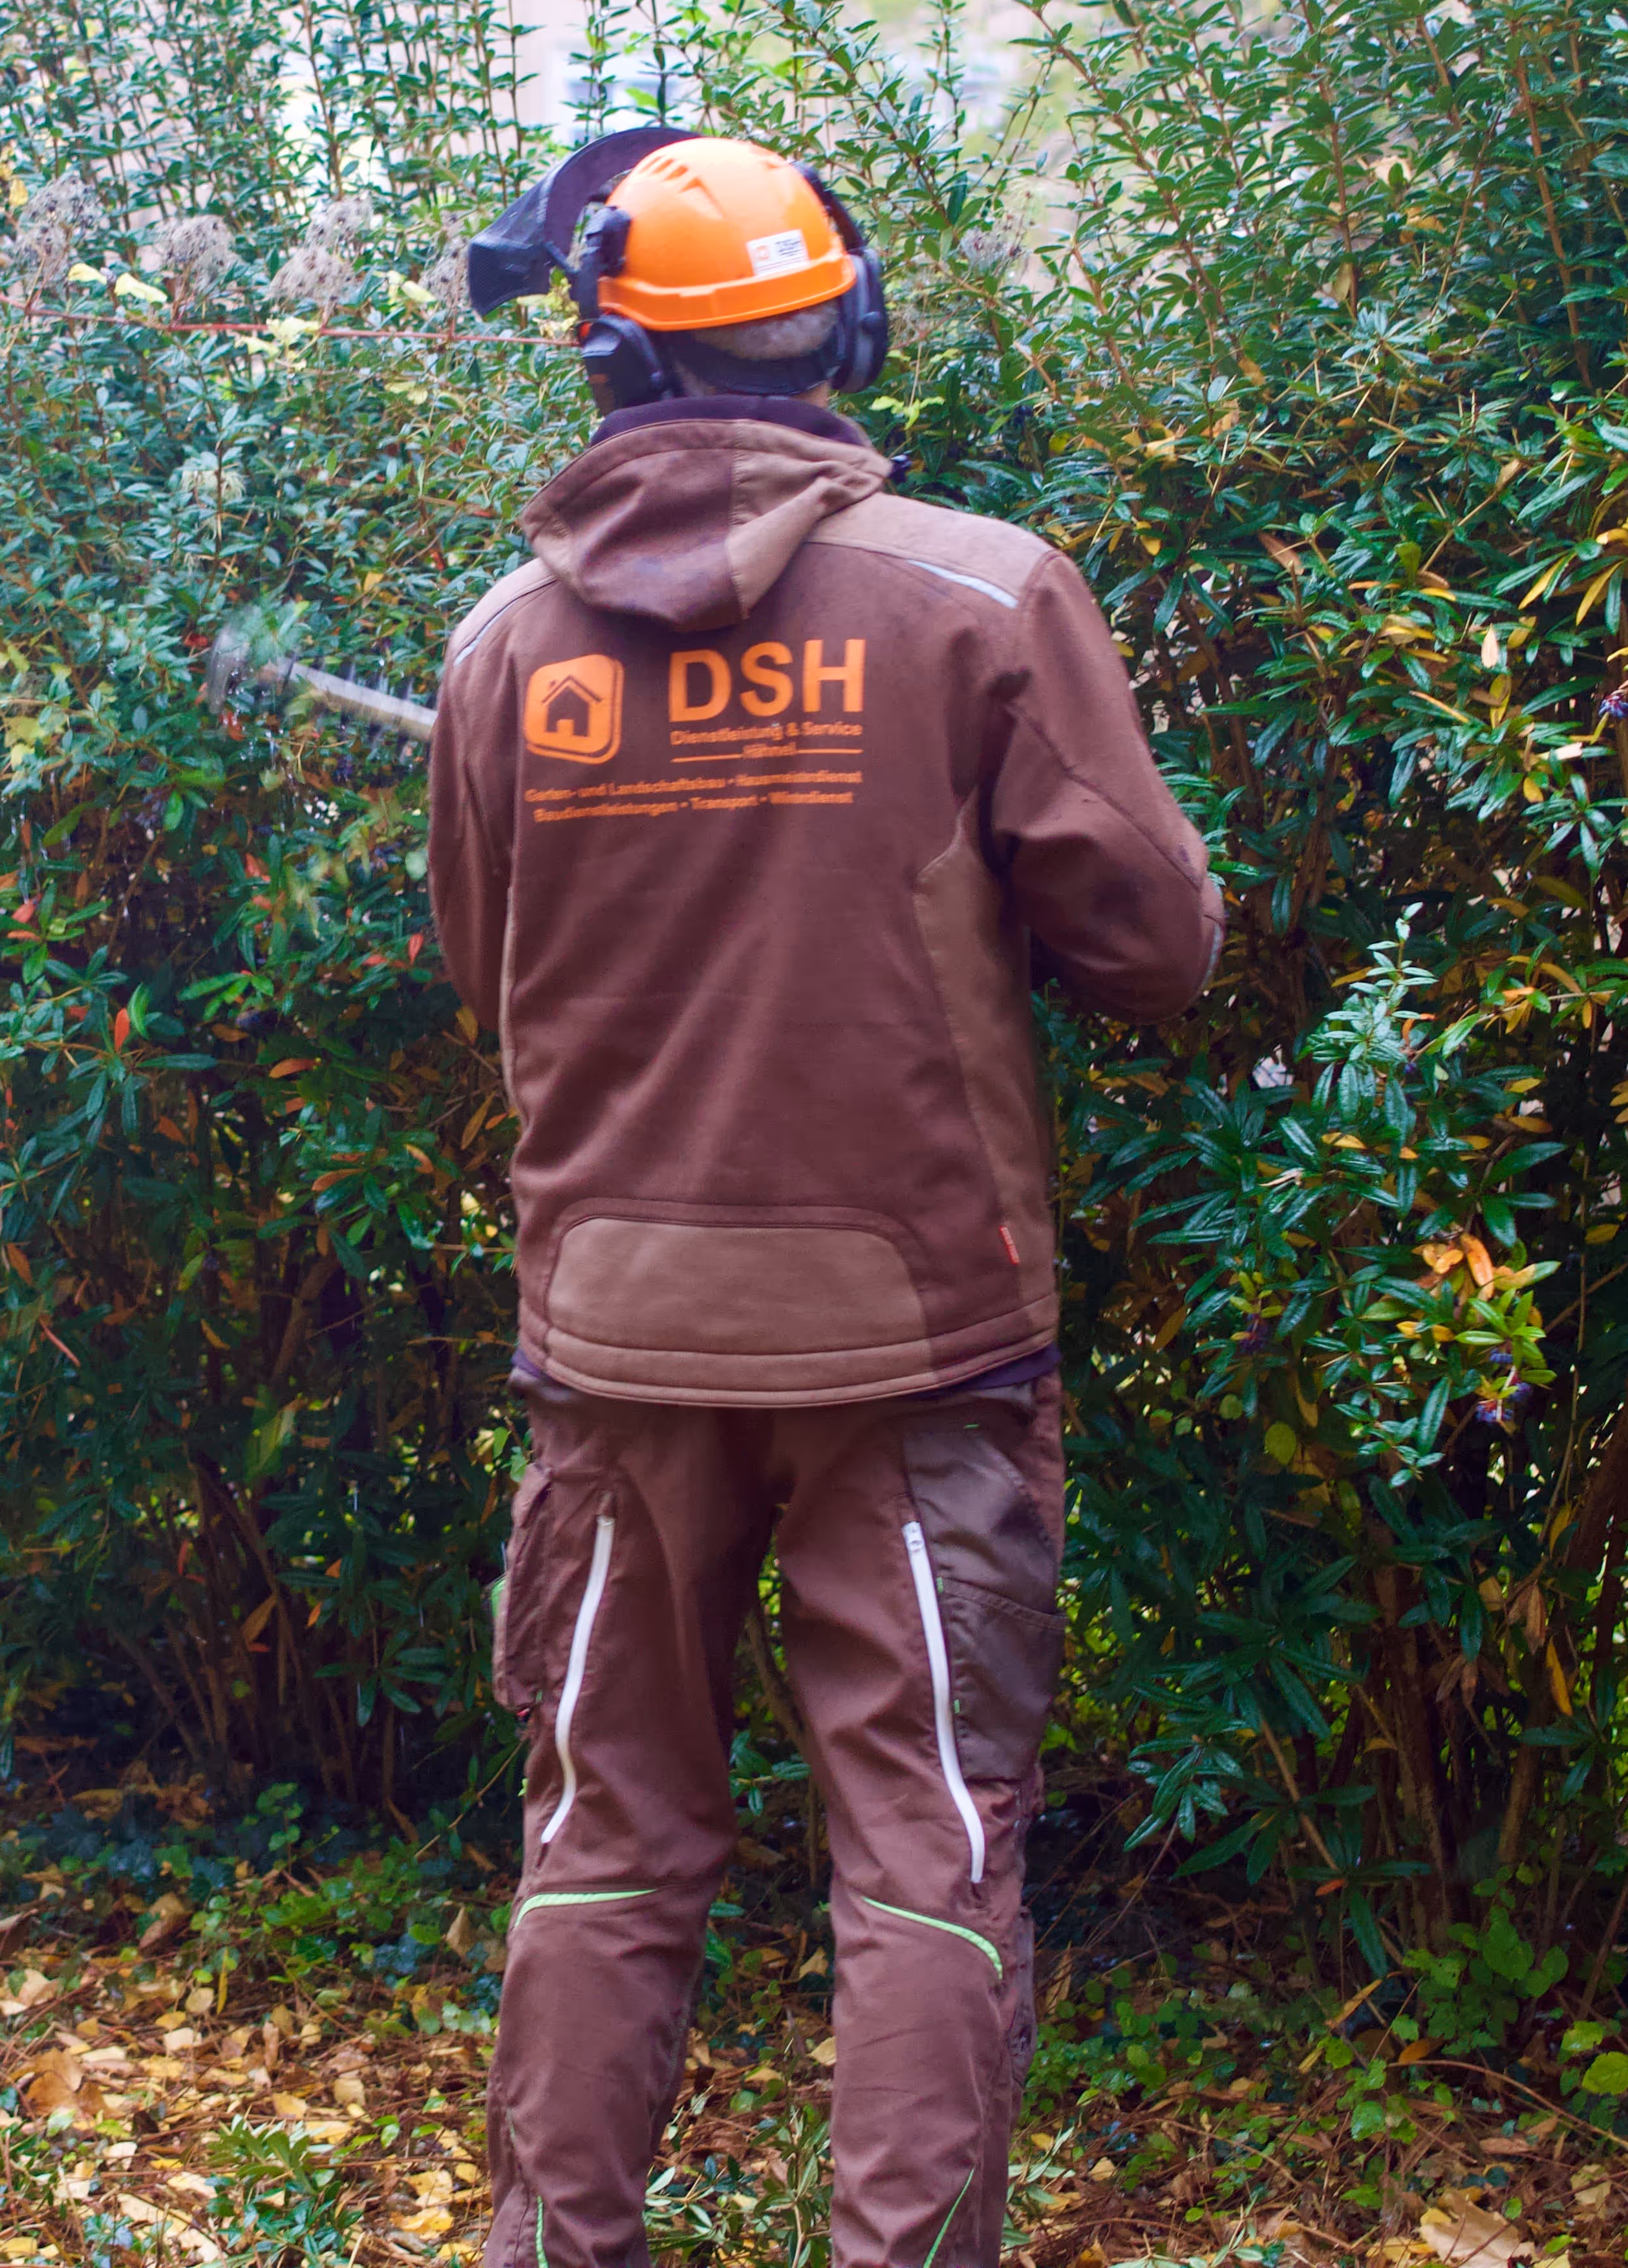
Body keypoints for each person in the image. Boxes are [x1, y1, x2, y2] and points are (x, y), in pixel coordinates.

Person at [428, 130, 1221, 2268]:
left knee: (604, 1840)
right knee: (924, 1854)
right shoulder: (978, 600)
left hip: (619, 1342)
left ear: (604, 357)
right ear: (845, 330)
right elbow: (1157, 949)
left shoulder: (504, 651)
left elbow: (486, 977)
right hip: (920, 1344)